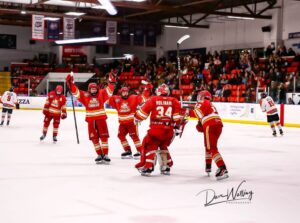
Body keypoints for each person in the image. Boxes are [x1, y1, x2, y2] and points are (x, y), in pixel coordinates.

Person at [66, 73, 116, 164]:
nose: (93, 90)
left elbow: (109, 91)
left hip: (101, 119)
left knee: (104, 137)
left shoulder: (101, 93)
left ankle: (105, 154)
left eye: (95, 89)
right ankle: (99, 154)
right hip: (91, 121)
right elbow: (76, 92)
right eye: (91, 89)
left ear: (97, 89)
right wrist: (70, 84)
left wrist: (111, 82)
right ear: (89, 89)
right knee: (94, 138)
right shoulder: (85, 95)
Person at [135, 83, 182, 176]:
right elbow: (177, 118)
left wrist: (136, 116)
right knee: (163, 146)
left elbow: (142, 115)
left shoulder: (153, 99)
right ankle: (166, 166)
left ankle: (148, 166)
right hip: (169, 131)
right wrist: (177, 127)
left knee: (149, 145)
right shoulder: (174, 101)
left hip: (156, 129)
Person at [194, 90, 229, 180]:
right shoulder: (210, 104)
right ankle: (208, 166)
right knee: (208, 146)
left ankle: (222, 169)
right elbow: (200, 126)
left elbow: (197, 113)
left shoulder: (202, 102)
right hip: (217, 125)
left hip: (210, 125)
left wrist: (186, 112)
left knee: (212, 148)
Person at [108, 86, 144, 159]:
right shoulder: (117, 99)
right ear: (121, 93)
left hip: (131, 122)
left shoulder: (133, 97)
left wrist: (143, 91)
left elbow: (142, 99)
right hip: (122, 123)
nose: (125, 93)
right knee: (120, 135)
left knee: (134, 136)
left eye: (126, 92)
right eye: (123, 92)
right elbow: (109, 100)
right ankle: (127, 150)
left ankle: (140, 151)